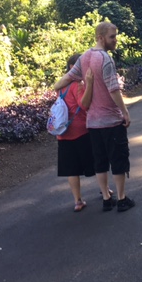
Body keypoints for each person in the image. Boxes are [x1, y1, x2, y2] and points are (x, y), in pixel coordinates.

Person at [54, 22, 135, 213]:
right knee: (118, 159)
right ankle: (121, 199)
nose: (115, 40)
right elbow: (113, 89)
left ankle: (107, 199)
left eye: (115, 36)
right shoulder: (105, 59)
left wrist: (56, 86)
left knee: (100, 161)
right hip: (111, 120)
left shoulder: (85, 57)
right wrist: (125, 111)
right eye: (112, 37)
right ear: (101, 37)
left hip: (93, 123)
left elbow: (69, 77)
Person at [56, 53, 110, 212]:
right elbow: (84, 104)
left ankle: (77, 201)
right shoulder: (77, 85)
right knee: (97, 161)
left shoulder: (60, 85)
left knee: (71, 168)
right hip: (81, 129)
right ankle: (105, 191)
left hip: (63, 131)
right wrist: (90, 84)